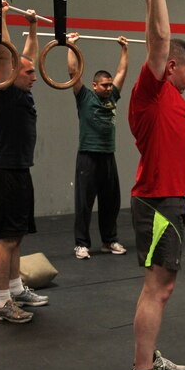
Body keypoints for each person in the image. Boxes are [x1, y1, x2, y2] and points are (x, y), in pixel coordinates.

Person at [127, 0, 185, 370]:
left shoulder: (173, 96)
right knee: (158, 288)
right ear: (170, 67)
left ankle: (149, 356)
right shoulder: (150, 93)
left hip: (172, 199)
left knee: (162, 288)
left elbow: (159, 35)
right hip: (157, 202)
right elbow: (159, 39)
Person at [0, 0, 49, 324]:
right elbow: (4, 53)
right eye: (28, 73)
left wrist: (34, 25)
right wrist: (4, 17)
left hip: (21, 171)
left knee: (18, 235)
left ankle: (15, 288)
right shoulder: (6, 90)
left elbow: (27, 53)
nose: (33, 76)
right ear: (12, 74)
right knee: (6, 238)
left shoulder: (24, 94)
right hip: (5, 173)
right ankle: (1, 303)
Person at [66, 32, 129, 260]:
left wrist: (124, 48)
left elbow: (122, 72)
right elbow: (73, 72)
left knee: (111, 201)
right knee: (84, 203)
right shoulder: (84, 97)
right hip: (87, 156)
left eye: (110, 85)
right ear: (94, 85)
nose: (108, 88)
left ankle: (109, 240)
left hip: (107, 156)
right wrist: (71, 46)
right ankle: (81, 244)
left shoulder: (112, 97)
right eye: (104, 85)